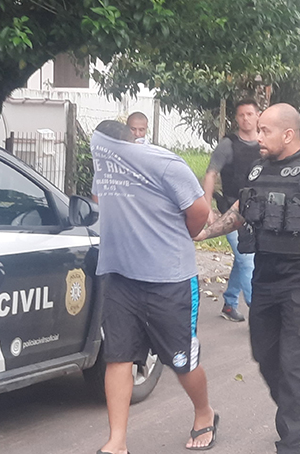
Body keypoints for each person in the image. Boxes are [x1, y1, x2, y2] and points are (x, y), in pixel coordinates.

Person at [195, 103, 300, 454]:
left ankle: (291, 442)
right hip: (265, 275)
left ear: (288, 134)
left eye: (265, 131)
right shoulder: (258, 169)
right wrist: (203, 234)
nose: (258, 136)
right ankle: (299, 405)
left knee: (293, 361)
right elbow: (240, 211)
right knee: (265, 355)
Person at [91, 120, 218, 453]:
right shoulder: (104, 167)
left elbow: (199, 211)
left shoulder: (165, 164)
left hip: (170, 280)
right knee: (118, 358)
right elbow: (99, 199)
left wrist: (172, 236)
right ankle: (117, 441)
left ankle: (204, 412)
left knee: (181, 360)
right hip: (120, 277)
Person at [202, 98, 261, 322]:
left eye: (249, 114)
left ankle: (229, 303)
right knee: (247, 260)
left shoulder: (264, 142)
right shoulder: (228, 145)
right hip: (231, 212)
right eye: (241, 115)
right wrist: (207, 208)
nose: (245, 119)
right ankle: (258, 313)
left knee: (242, 258)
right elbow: (210, 174)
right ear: (236, 118)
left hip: (258, 213)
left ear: (258, 116)